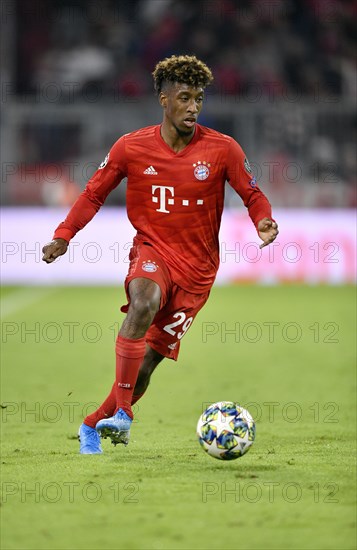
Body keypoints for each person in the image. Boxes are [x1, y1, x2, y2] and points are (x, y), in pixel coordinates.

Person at [42, 55, 279, 454]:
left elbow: (252, 194)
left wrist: (264, 220)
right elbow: (93, 193)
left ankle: (92, 423)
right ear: (164, 100)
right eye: (184, 98)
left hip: (198, 273)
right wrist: (64, 235)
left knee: (146, 366)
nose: (193, 107)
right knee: (143, 302)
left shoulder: (223, 149)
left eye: (199, 99)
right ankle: (125, 417)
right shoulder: (131, 147)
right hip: (153, 252)